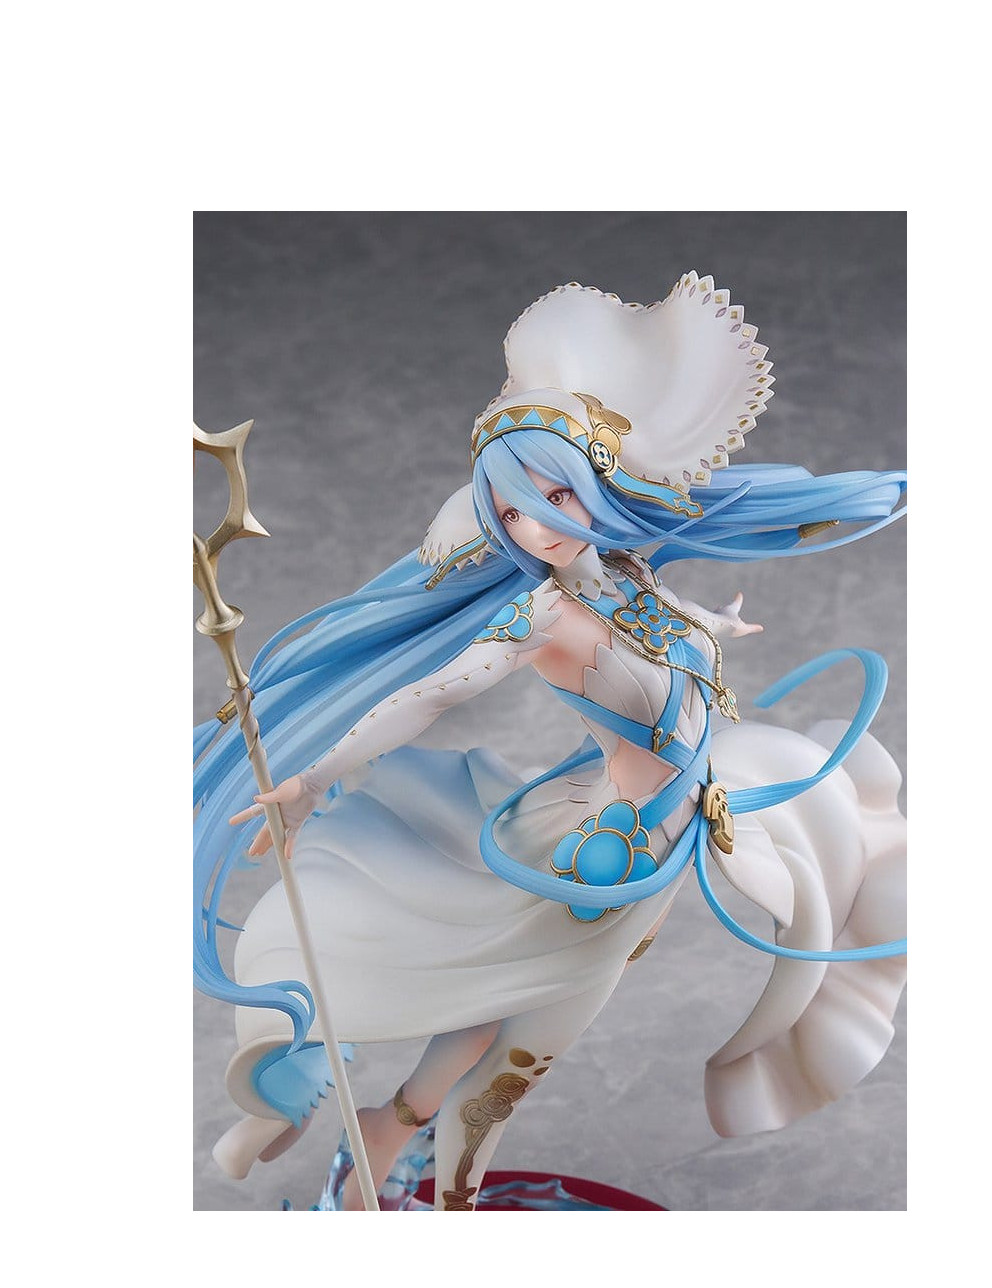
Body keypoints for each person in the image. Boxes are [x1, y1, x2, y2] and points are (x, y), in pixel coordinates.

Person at [193, 273, 907, 1210]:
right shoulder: (538, 615)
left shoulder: (622, 569)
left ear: (599, 490)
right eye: (513, 512)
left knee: (501, 1012)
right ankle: (435, 1185)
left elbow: (666, 626)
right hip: (611, 854)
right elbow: (427, 696)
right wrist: (312, 774)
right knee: (518, 1052)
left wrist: (714, 623)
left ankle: (394, 1133)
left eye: (557, 495)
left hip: (664, 825)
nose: (536, 527)